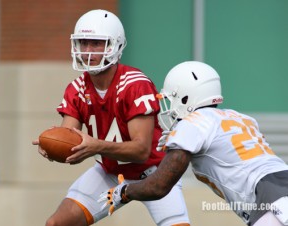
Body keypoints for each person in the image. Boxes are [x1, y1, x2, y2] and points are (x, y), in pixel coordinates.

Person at [32, 9, 190, 226]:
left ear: (115, 45)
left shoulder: (135, 84)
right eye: (84, 43)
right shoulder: (77, 88)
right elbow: (69, 139)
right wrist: (53, 146)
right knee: (57, 224)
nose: (88, 50)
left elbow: (141, 151)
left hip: (154, 172)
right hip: (110, 171)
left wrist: (96, 146)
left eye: (96, 43)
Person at [99, 61, 288, 226]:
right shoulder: (240, 118)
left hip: (270, 194)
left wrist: (125, 191)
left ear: (185, 97)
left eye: (171, 98)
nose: (169, 107)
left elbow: (159, 186)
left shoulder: (193, 122)